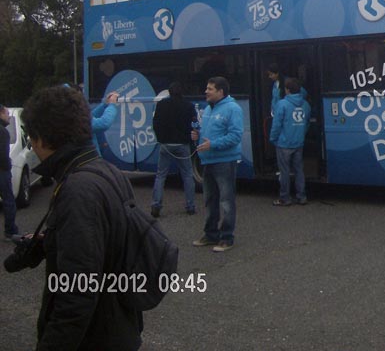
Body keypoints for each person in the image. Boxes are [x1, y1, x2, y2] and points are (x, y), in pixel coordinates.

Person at [20, 85, 143, 350]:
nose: (32, 146)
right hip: (120, 323)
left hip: (97, 336)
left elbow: (77, 293)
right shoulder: (105, 170)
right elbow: (102, 238)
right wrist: (50, 240)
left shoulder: (77, 189)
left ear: (42, 138)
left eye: (31, 138)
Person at [191, 77, 243, 252]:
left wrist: (213, 144)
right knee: (209, 200)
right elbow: (207, 132)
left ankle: (227, 238)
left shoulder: (232, 109)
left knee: (226, 201)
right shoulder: (207, 109)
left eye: (210, 89)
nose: (206, 91)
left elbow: (235, 136)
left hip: (224, 161)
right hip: (208, 161)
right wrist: (197, 136)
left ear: (220, 92)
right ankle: (210, 234)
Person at [150, 82, 197, 218]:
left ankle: (156, 206)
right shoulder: (188, 105)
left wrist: (160, 138)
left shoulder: (162, 104)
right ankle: (190, 206)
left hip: (166, 144)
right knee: (187, 175)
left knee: (160, 175)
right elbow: (194, 123)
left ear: (169, 92)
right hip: (182, 144)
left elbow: (156, 123)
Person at [270, 77, 311, 206]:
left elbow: (276, 125)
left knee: (285, 171)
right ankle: (301, 197)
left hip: (284, 144)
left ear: (287, 90)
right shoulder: (306, 105)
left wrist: (273, 138)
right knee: (299, 170)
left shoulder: (282, 104)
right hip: (299, 143)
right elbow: (307, 123)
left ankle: (285, 198)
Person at [0, 104, 19, 241]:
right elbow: (3, 156)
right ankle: (10, 231)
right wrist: (8, 165)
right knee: (8, 201)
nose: (8, 117)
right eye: (6, 114)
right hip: (2, 172)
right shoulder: (3, 132)